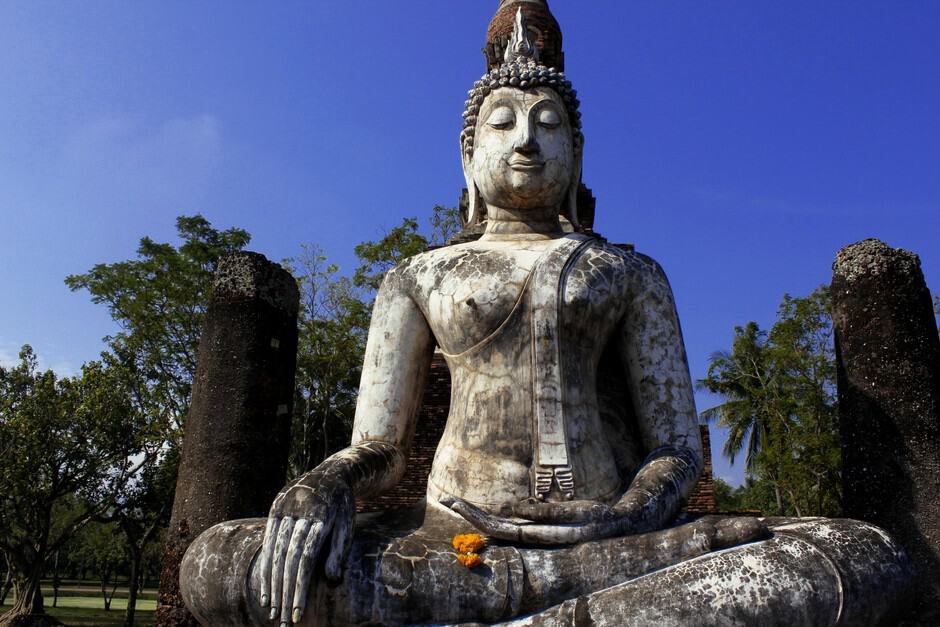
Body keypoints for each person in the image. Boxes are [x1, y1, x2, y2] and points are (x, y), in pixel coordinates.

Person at [180, 10, 911, 626]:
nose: (527, 139)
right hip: (452, 539)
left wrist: (630, 516)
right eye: (503, 124)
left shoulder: (629, 273)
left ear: (577, 151)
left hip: (617, 536)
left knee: (857, 554)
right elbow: (382, 448)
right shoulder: (419, 275)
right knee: (218, 561)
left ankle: (581, 594)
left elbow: (677, 451)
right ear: (469, 155)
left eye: (548, 124)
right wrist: (325, 482)